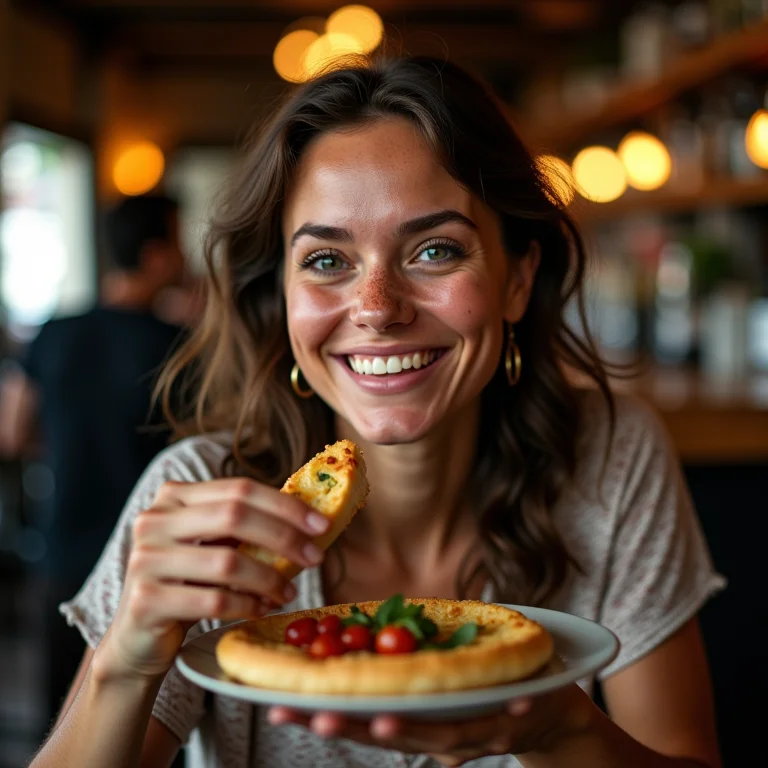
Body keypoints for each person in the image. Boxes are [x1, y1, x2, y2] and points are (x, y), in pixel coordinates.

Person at [30, 57, 723, 768]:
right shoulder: (207, 500)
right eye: (328, 260)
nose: (377, 310)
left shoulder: (610, 458)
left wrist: (563, 733)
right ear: (285, 298)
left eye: (434, 250)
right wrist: (125, 663)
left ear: (518, 279)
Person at [0, 193, 188, 728]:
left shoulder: (53, 332)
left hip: (60, 553)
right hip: (143, 562)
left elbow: (12, 434)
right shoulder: (177, 346)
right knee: (140, 723)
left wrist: (68, 441)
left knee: (59, 721)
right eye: (177, 245)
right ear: (155, 255)